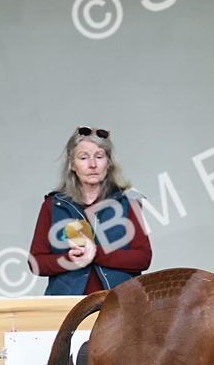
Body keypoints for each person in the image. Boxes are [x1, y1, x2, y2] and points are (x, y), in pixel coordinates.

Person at [28, 126, 152, 295]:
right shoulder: (53, 205)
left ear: (108, 162)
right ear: (72, 163)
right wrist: (69, 260)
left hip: (119, 305)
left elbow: (143, 258)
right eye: (83, 157)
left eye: (99, 156)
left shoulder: (128, 202)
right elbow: (36, 262)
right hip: (67, 307)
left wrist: (96, 253)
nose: (93, 165)